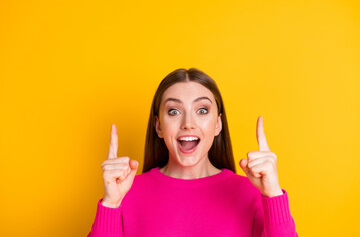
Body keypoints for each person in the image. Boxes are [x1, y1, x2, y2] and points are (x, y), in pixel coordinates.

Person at [87, 68, 298, 237]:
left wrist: (273, 195)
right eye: (174, 111)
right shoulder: (125, 194)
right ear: (158, 126)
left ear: (218, 125)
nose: (188, 124)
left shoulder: (252, 194)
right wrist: (110, 205)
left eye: (202, 110)